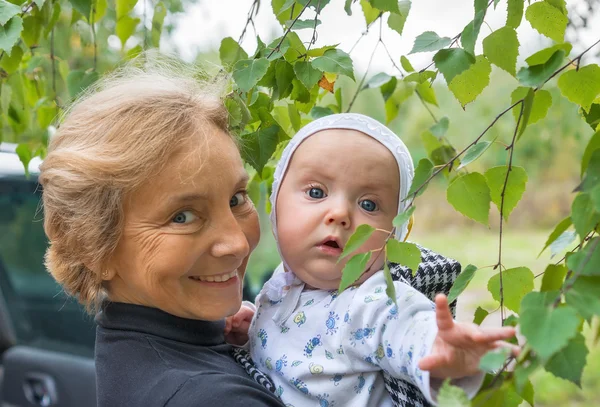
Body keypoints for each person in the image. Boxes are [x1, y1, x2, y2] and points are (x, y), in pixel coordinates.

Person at [38, 59, 285, 407]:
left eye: (236, 199)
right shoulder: (210, 398)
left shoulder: (141, 348)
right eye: (182, 217)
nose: (237, 243)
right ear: (93, 248)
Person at [226, 113, 518, 407]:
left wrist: (438, 348)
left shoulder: (371, 301)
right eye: (316, 192)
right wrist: (251, 330)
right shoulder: (283, 283)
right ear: (276, 205)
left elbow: (407, 328)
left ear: (394, 234)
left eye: (369, 204)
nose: (339, 214)